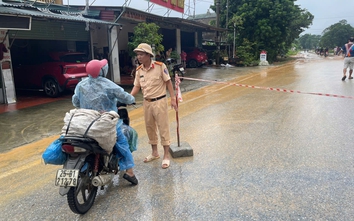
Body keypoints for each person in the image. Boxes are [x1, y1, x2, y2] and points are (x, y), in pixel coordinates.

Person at [72, 58, 138, 185]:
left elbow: (75, 102)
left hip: (86, 122)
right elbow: (124, 95)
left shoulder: (81, 84)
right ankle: (129, 172)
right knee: (122, 143)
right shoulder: (108, 84)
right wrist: (132, 99)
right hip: (106, 122)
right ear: (102, 70)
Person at [130, 43, 178, 169]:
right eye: (138, 54)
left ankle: (166, 155)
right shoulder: (139, 70)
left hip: (160, 101)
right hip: (147, 102)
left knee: (163, 128)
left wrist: (173, 98)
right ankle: (154, 152)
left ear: (148, 55)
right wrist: (129, 97)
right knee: (150, 127)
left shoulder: (160, 66)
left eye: (141, 54)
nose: (139, 57)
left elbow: (168, 82)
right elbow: (137, 86)